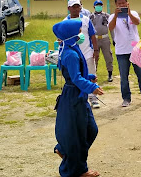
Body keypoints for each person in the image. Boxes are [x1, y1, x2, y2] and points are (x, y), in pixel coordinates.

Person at [52, 19, 103, 177]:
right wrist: (92, 87)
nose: (81, 34)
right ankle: (79, 170)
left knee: (91, 130)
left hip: (78, 95)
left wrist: (89, 77)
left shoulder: (71, 48)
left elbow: (76, 74)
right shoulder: (71, 54)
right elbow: (75, 79)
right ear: (71, 34)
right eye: (79, 31)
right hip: (74, 96)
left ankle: (64, 149)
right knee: (78, 135)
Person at [108, 0, 141, 107]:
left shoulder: (133, 13)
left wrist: (129, 13)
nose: (121, 5)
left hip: (135, 49)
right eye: (119, 4)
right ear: (116, 5)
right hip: (121, 50)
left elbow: (137, 22)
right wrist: (116, 16)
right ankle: (126, 98)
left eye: (123, 3)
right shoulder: (112, 16)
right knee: (124, 76)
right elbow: (111, 28)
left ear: (127, 3)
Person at [65, 0, 99, 108]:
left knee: (91, 75)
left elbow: (92, 35)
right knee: (76, 76)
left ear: (81, 7)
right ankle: (79, 99)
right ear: (68, 8)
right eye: (73, 7)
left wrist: (96, 50)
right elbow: (61, 39)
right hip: (73, 55)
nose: (76, 9)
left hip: (87, 52)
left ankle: (93, 97)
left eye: (77, 6)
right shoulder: (65, 22)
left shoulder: (86, 20)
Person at [90, 0, 114, 83]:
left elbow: (111, 28)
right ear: (94, 6)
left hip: (105, 38)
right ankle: (93, 75)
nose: (99, 7)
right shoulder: (91, 17)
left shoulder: (107, 16)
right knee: (94, 57)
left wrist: (114, 39)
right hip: (95, 39)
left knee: (108, 56)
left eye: (100, 5)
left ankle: (110, 73)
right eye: (97, 5)